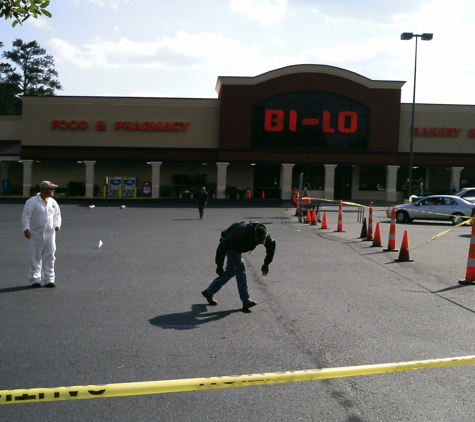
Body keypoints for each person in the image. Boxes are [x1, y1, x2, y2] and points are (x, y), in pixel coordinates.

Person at [201, 221, 276, 311]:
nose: (258, 243)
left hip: (239, 246)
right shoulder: (241, 233)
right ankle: (246, 300)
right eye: (257, 241)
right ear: (253, 235)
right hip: (231, 246)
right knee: (241, 268)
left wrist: (266, 264)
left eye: (261, 242)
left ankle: (209, 291)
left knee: (230, 272)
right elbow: (223, 245)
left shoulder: (266, 236)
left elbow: (271, 248)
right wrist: (219, 265)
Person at [21, 181, 62, 288]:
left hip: (50, 234)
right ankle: (35, 279)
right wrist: (26, 229)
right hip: (36, 234)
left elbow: (57, 215)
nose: (53, 191)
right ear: (44, 189)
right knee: (36, 256)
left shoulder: (53, 202)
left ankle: (49, 279)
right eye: (51, 189)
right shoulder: (32, 202)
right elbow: (26, 216)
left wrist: (57, 224)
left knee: (50, 255)